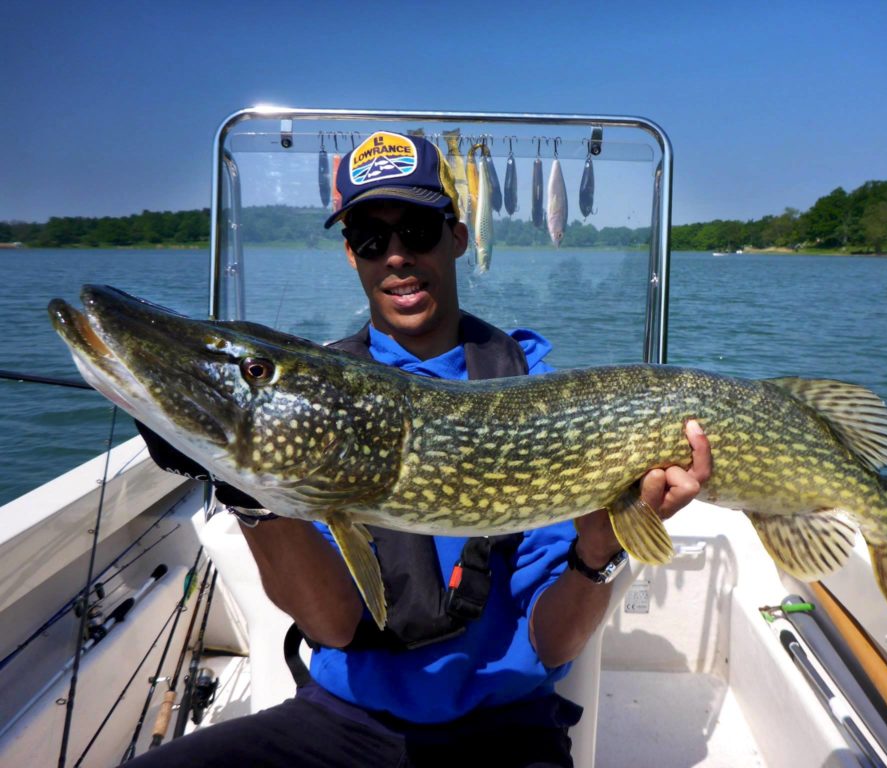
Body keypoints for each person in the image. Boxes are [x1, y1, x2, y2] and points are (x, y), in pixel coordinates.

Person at [129, 131, 712, 767]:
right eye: (372, 240)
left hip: (505, 728)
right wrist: (246, 489)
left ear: (457, 237)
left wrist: (601, 548)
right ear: (353, 256)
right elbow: (331, 626)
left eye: (418, 230)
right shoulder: (325, 399)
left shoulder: (539, 402)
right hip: (346, 723)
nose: (397, 256)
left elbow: (550, 643)